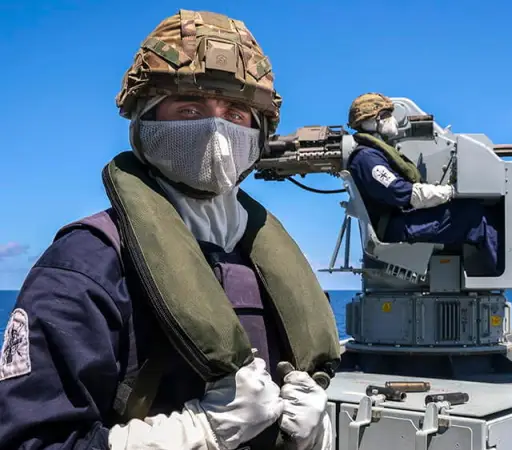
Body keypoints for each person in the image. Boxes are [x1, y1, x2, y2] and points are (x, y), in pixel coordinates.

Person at [0, 9, 340, 450]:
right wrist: (196, 432)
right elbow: (31, 441)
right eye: (189, 109)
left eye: (235, 113)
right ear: (146, 122)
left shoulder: (268, 264)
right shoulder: (87, 265)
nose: (216, 130)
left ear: (258, 133)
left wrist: (318, 433)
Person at [345, 93, 501, 275]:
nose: (392, 120)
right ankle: (498, 274)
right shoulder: (367, 158)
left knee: (468, 210)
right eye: (386, 115)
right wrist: (450, 192)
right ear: (373, 121)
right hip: (395, 227)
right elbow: (400, 192)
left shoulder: (371, 154)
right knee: (475, 216)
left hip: (397, 221)